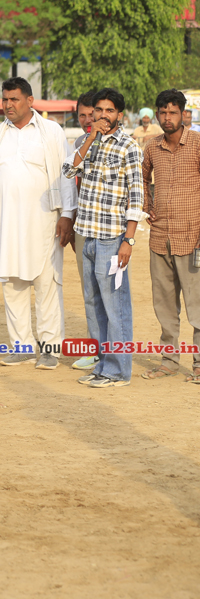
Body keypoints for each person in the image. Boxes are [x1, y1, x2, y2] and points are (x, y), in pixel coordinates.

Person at [0, 77, 76, 368]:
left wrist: (67, 215)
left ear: (30, 101)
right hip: (5, 224)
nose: (8, 105)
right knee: (12, 284)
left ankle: (50, 348)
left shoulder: (51, 131)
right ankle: (22, 345)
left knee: (47, 284)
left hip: (45, 223)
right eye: (5, 99)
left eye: (14, 99)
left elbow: (65, 175)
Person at [63, 87, 143, 388]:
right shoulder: (87, 142)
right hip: (86, 235)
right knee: (93, 302)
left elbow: (137, 197)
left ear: (119, 115)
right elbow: (68, 171)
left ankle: (118, 371)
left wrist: (128, 240)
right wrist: (91, 139)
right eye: (99, 110)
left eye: (110, 110)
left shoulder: (128, 146)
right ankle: (101, 365)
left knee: (115, 305)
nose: (103, 115)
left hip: (112, 238)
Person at [142, 89, 200, 383]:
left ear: (183, 114)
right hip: (159, 238)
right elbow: (140, 178)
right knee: (164, 305)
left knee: (197, 304)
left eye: (172, 112)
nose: (167, 118)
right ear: (157, 115)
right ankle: (169, 361)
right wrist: (146, 206)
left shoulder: (198, 143)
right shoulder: (152, 146)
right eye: (163, 112)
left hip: (193, 238)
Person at [69, 90, 99, 371]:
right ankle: (95, 349)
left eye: (92, 114)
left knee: (111, 292)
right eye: (82, 115)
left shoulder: (119, 142)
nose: (88, 120)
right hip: (83, 227)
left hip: (110, 230)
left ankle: (114, 352)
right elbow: (70, 178)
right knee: (89, 290)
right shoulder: (79, 143)